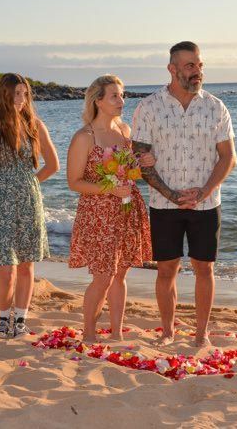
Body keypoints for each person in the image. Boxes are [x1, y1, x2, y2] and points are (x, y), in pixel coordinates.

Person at [131, 41, 237, 347]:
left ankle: (202, 335)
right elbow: (140, 159)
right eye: (190, 65)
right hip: (164, 203)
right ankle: (167, 332)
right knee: (166, 269)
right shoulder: (149, 107)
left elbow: (228, 157)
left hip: (207, 203)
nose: (197, 71)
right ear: (172, 69)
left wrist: (204, 191)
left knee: (205, 267)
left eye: (200, 65)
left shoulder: (216, 107)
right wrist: (172, 194)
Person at [67, 75, 153, 342]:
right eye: (115, 95)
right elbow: (74, 182)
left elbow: (129, 173)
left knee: (121, 273)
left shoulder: (125, 131)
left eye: (122, 94)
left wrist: (144, 164)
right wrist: (109, 190)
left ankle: (116, 333)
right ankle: (89, 334)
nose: (121, 101)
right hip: (99, 213)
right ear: (98, 101)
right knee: (103, 276)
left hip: (127, 209)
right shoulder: (84, 137)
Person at [0, 74, 59, 339]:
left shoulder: (35, 125)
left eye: (24, 94)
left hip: (28, 203)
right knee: (5, 268)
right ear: (3, 95)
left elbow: (53, 165)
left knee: (26, 266)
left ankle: (20, 320)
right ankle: (2, 320)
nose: (20, 100)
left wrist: (29, 182)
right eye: (15, 94)